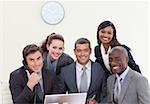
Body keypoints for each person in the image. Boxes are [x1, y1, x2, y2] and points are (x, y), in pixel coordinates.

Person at [57, 38, 107, 103]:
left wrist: (97, 103)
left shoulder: (99, 69)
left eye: (85, 50)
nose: (82, 54)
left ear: (90, 51)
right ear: (74, 51)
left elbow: (105, 94)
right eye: (79, 51)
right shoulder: (65, 71)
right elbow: (60, 97)